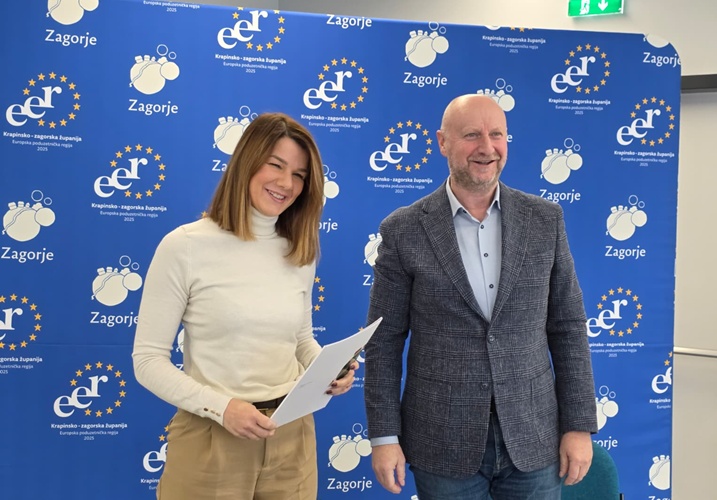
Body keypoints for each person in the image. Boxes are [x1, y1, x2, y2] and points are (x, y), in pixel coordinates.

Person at [364, 94, 597, 500]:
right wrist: (384, 437)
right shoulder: (403, 230)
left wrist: (578, 425)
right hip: (440, 440)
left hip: (534, 436)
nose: (487, 148)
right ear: (442, 142)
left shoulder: (545, 220)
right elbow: (383, 341)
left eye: (497, 135)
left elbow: (568, 327)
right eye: (472, 135)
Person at [132, 112, 357, 500]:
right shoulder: (184, 247)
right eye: (276, 165)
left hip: (293, 437)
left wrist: (328, 370)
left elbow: (301, 340)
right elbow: (148, 361)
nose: (286, 183)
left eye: (299, 175)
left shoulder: (299, 251)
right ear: (246, 162)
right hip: (212, 439)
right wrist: (222, 408)